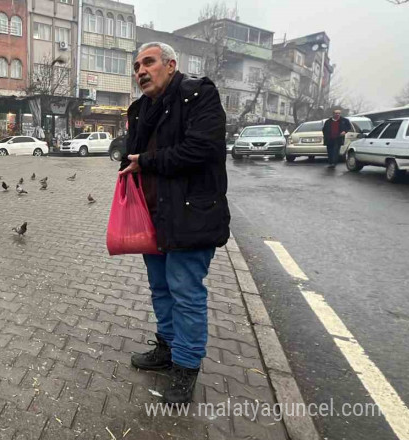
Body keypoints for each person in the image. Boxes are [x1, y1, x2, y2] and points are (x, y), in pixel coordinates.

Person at [118, 42, 230, 405]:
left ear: (170, 64)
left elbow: (201, 150)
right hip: (153, 217)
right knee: (161, 289)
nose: (140, 72)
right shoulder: (140, 109)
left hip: (190, 215)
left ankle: (185, 368)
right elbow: (132, 155)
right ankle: (166, 349)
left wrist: (145, 161)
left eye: (148, 63)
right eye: (136, 66)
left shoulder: (198, 94)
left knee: (186, 293)